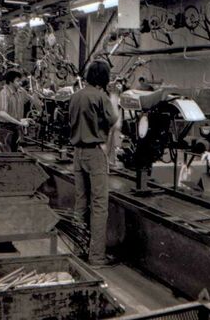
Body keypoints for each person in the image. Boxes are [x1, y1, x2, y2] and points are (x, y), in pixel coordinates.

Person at [69, 60, 118, 266]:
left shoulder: (75, 96)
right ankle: (97, 256)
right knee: (99, 206)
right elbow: (114, 120)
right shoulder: (101, 97)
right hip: (94, 153)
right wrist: (114, 96)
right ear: (104, 78)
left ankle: (77, 249)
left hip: (77, 154)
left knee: (80, 203)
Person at [0, 70, 41, 152]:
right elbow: (2, 113)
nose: (20, 83)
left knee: (14, 152)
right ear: (10, 82)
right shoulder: (4, 93)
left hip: (15, 127)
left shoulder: (20, 91)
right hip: (5, 129)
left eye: (20, 81)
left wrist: (24, 119)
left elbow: (32, 99)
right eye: (17, 81)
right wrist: (20, 122)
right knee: (6, 154)